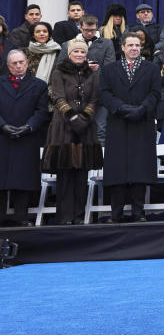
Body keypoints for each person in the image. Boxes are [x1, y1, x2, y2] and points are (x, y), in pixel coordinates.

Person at [98, 32, 161, 223]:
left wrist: (142, 108)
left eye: (137, 45)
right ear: (122, 48)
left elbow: (155, 93)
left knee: (139, 169)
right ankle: (116, 213)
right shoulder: (109, 69)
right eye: (130, 45)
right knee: (117, 169)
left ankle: (138, 212)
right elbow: (104, 93)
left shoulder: (151, 68)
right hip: (118, 123)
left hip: (142, 123)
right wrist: (121, 107)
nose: (134, 48)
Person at [43, 42, 101, 225]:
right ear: (69, 53)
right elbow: (57, 97)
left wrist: (83, 117)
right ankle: (64, 217)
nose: (79, 54)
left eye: (82, 51)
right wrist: (72, 117)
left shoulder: (92, 74)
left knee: (81, 176)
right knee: (65, 175)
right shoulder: (59, 72)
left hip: (86, 128)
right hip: (63, 128)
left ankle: (78, 216)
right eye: (75, 51)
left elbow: (95, 99)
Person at [0, 49, 49, 226]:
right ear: (8, 66)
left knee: (24, 178)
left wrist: (29, 127)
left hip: (27, 137)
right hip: (2, 137)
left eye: (21, 62)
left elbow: (42, 111)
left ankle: (21, 217)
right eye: (14, 63)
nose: (18, 66)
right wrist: (3, 125)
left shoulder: (39, 85)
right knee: (1, 177)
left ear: (27, 63)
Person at [57, 15, 115, 145]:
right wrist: (82, 67)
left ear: (97, 28)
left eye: (93, 30)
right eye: (86, 30)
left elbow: (110, 68)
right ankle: (77, 163)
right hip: (74, 95)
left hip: (98, 94)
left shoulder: (106, 43)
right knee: (75, 129)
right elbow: (59, 67)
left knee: (100, 129)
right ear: (80, 27)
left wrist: (96, 69)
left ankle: (100, 163)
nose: (89, 33)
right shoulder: (68, 44)